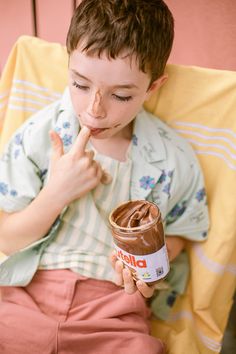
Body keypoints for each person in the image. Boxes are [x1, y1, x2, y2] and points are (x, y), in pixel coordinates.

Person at [0, 0, 209, 353]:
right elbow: (7, 239)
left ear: (154, 87)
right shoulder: (37, 136)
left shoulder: (173, 160)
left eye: (122, 95)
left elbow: (182, 235)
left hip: (114, 311)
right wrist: (56, 194)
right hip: (25, 295)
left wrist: (147, 267)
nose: (94, 110)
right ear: (68, 66)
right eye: (80, 85)